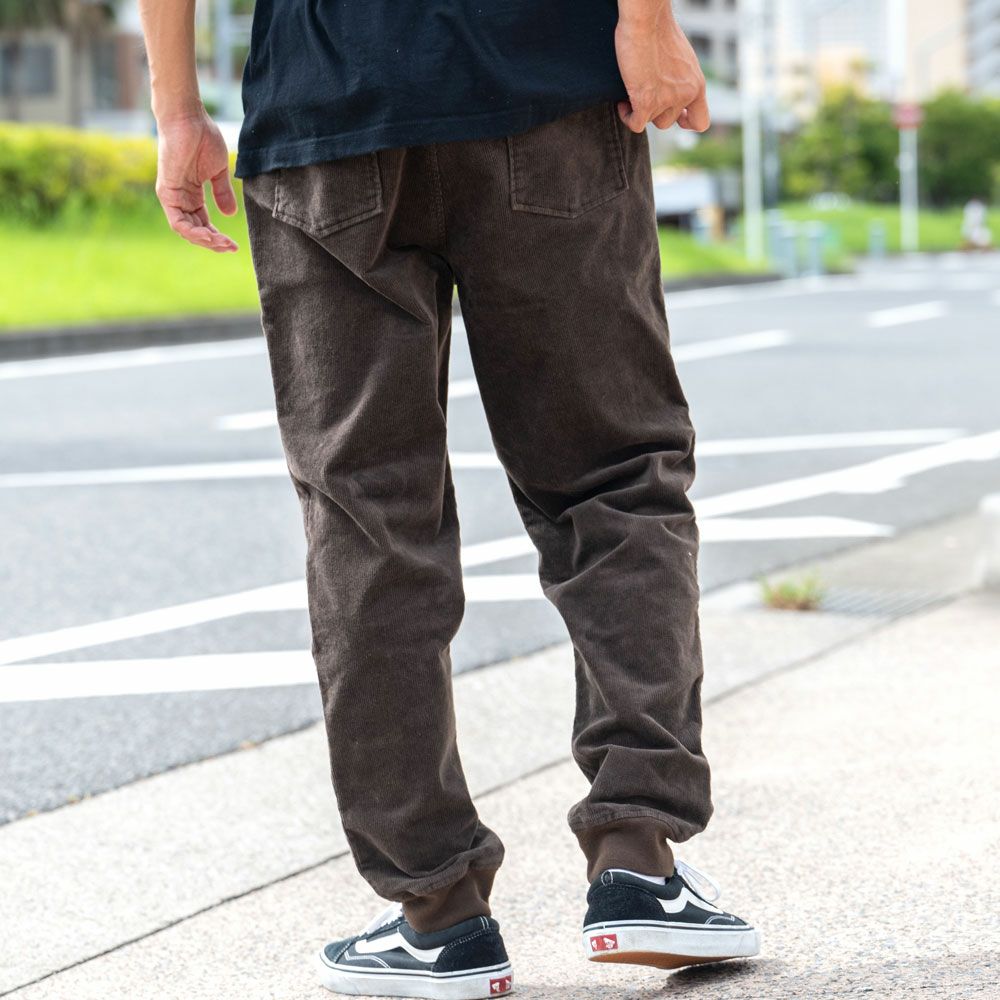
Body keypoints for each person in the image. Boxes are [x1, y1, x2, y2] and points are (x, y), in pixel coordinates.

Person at [138, 1, 759, 996]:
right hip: (541, 85)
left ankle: (438, 914)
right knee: (612, 475)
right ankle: (637, 858)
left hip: (327, 107)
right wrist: (646, 19)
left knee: (368, 519)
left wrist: (177, 112)